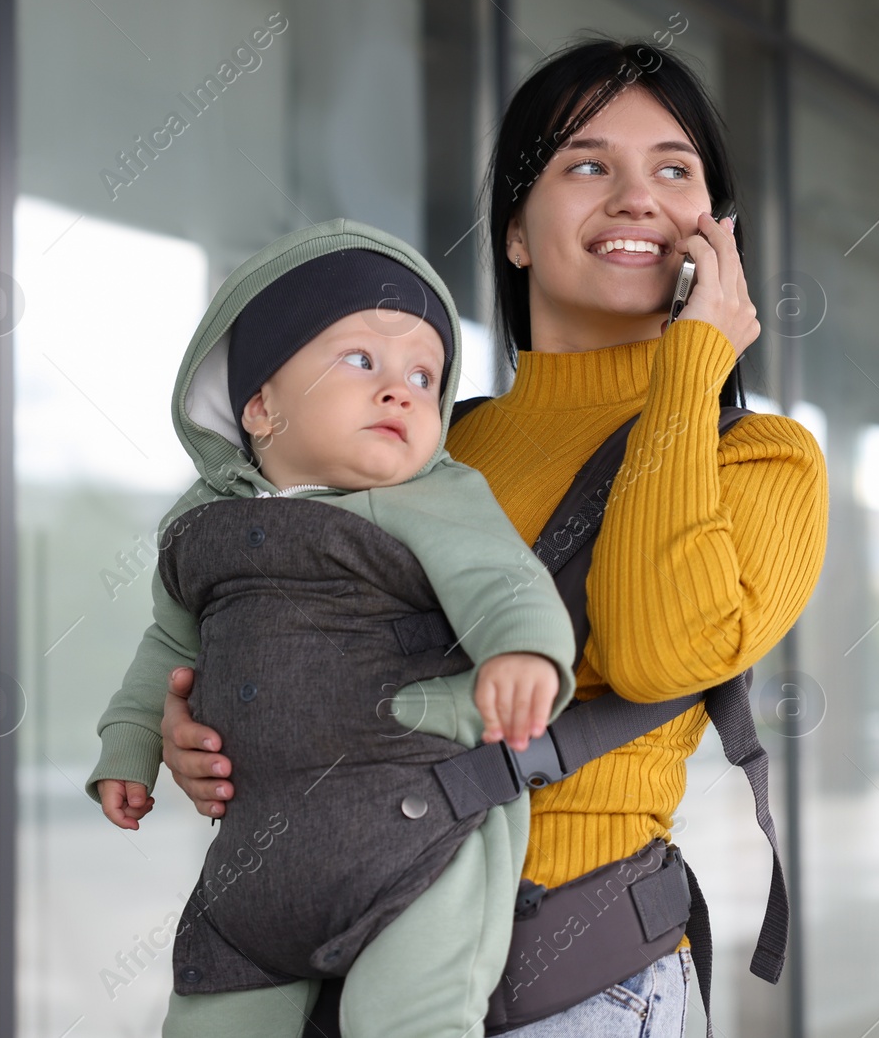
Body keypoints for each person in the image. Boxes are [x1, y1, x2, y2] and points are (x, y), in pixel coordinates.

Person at [161, 38, 830, 1035]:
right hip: (340, 963)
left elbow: (656, 649)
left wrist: (689, 368)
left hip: (566, 984)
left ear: (713, 232)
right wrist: (213, 723)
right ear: (515, 231)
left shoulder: (760, 458)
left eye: (674, 170)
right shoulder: (428, 445)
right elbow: (293, 616)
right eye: (588, 164)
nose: (637, 196)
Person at [83, 218, 580, 1038]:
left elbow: (501, 578)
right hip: (250, 878)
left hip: (413, 847)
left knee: (409, 1022)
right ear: (260, 406)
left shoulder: (439, 497)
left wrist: (524, 651)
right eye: (361, 360)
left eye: (425, 375)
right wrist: (130, 741)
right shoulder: (201, 524)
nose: (400, 389)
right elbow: (168, 648)